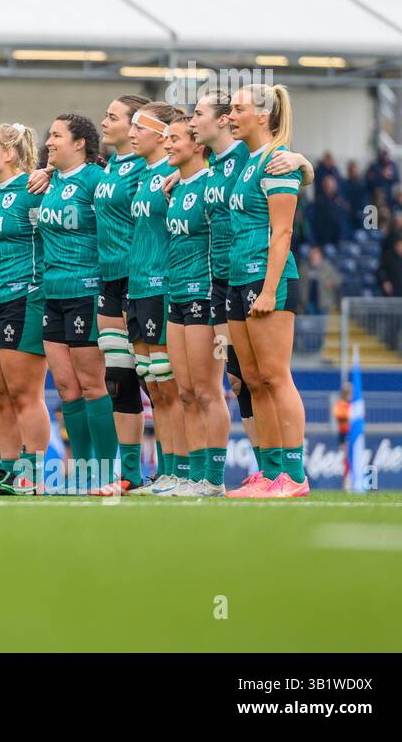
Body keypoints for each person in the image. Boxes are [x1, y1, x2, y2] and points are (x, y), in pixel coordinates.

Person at [225, 84, 308, 498]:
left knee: (276, 377)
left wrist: (270, 290)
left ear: (262, 115)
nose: (230, 115)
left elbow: (283, 232)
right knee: (254, 379)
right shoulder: (245, 159)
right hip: (239, 278)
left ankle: (294, 475)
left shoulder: (277, 162)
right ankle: (270, 472)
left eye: (238, 108)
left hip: (268, 279)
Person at [35, 114, 116, 494]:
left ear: (80, 143)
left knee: (91, 385)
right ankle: (82, 473)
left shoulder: (96, 180)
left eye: (56, 136)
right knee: (66, 388)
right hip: (53, 293)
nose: (49, 142)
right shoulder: (48, 181)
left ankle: (105, 471)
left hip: (86, 291)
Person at [0, 123, 49, 495]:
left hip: (22, 297)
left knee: (23, 394)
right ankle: (5, 474)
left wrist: (48, 172)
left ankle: (32, 474)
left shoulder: (34, 189)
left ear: (11, 154)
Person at [121, 103, 187, 495]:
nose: (131, 133)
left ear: (162, 135)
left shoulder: (177, 173)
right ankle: (167, 473)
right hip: (138, 287)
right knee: (154, 387)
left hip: (164, 286)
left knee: (171, 386)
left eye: (138, 126)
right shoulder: (144, 175)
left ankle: (181, 472)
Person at [162, 115, 228, 496]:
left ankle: (213, 479)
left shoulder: (211, 184)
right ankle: (192, 475)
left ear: (198, 146)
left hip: (204, 295)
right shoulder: (176, 187)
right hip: (176, 296)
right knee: (184, 389)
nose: (168, 145)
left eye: (175, 139)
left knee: (207, 390)